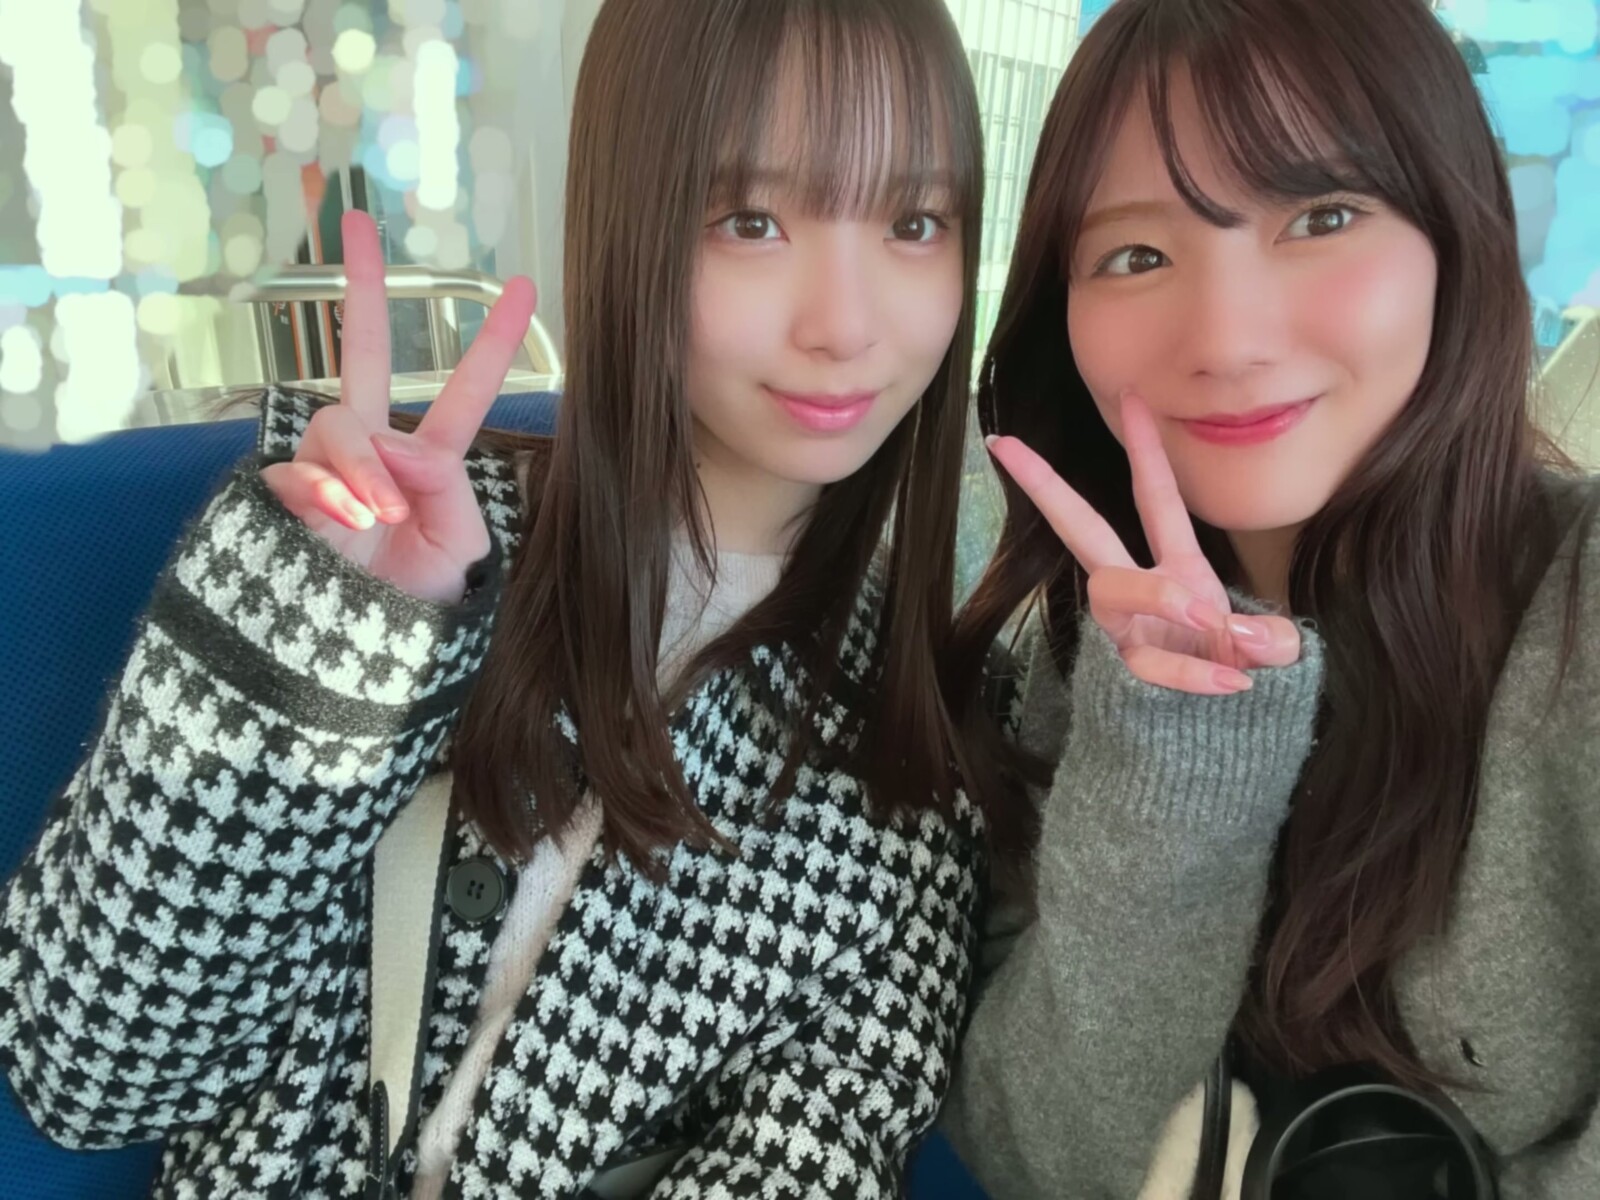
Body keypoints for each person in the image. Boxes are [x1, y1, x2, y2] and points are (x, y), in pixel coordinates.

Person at [0, 1, 997, 1195]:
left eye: (914, 223)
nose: (846, 324)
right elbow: (85, 1077)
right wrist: (329, 647)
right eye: (751, 221)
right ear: (630, 222)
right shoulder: (377, 543)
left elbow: (817, 1152)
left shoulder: (913, 748)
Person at [938, 0, 1600, 1195]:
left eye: (1321, 217)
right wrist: (1175, 765)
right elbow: (1041, 1162)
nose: (1227, 339)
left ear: (1456, 236)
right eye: (1136, 256)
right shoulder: (1073, 655)